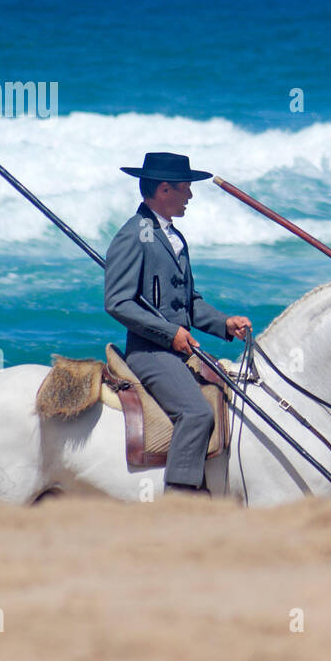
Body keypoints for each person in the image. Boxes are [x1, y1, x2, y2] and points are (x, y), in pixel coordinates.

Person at [104, 152, 252, 495]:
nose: (191, 195)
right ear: (164, 190)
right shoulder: (133, 235)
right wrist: (171, 334)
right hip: (150, 353)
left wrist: (224, 323)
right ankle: (180, 496)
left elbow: (187, 302)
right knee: (197, 414)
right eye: (186, 188)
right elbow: (117, 302)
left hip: (172, 350)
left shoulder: (172, 236)